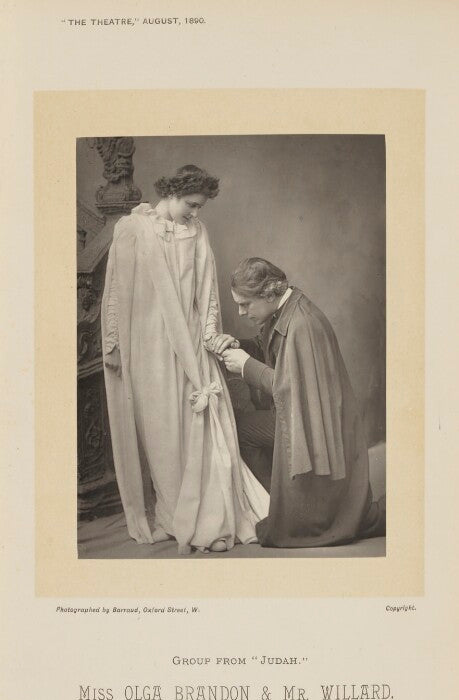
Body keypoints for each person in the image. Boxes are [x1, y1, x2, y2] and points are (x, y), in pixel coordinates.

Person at [102, 166, 268, 554]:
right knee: (161, 434)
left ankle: (212, 519)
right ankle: (173, 517)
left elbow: (207, 295)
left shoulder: (197, 232)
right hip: (147, 345)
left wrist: (210, 337)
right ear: (173, 193)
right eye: (191, 205)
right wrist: (112, 343)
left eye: (199, 207)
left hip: (191, 344)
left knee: (203, 429)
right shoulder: (131, 229)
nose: (195, 213)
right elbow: (115, 291)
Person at [222, 257, 385, 548]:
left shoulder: (302, 324)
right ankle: (278, 504)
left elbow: (292, 388)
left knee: (239, 430)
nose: (241, 312)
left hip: (321, 427)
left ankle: (289, 510)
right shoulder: (284, 309)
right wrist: (236, 344)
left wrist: (246, 366)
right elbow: (270, 349)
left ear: (268, 294)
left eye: (245, 304)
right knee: (239, 427)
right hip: (305, 417)